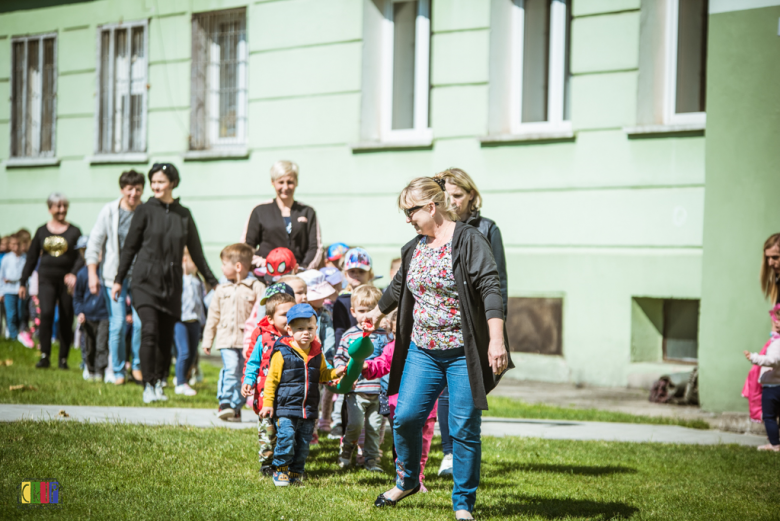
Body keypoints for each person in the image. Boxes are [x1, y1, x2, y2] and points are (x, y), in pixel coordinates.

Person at [365, 177, 512, 520]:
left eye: (410, 211)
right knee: (404, 418)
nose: (407, 219)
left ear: (431, 207)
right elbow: (400, 284)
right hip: (423, 350)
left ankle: (462, 504)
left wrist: (497, 339)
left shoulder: (469, 240)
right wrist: (377, 312)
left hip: (463, 352)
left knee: (463, 428)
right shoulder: (416, 246)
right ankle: (407, 481)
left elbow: (491, 288)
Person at [112, 163, 219, 404]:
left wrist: (211, 281)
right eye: (153, 182)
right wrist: (119, 280)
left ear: (172, 183)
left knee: (164, 336)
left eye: (161, 181)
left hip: (172, 284)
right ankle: (148, 384)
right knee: (149, 329)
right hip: (145, 281)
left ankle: (159, 381)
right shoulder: (145, 211)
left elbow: (196, 251)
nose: (156, 186)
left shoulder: (184, 214)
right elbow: (129, 247)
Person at [435, 167, 509, 476]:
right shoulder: (435, 227)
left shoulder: (487, 228)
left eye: (458, 195)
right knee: (444, 389)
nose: (452, 201)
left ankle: (464, 449)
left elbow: (498, 282)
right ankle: (451, 453)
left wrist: (497, 328)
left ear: (471, 196)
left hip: (478, 321)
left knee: (470, 387)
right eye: (446, 195)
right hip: (442, 321)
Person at [257, 303, 345, 487]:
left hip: (309, 408)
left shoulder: (316, 353)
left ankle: (296, 473)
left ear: (316, 328)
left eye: (310, 328)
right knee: (286, 437)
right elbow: (271, 380)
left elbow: (322, 375)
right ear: (289, 329)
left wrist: (334, 373)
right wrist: (268, 403)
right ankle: (280, 470)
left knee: (304, 443)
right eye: (300, 329)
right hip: (286, 407)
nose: (306, 333)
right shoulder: (282, 353)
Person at [362, 310, 437, 492]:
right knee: (402, 444)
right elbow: (381, 364)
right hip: (400, 404)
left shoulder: (429, 349)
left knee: (423, 444)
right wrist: (366, 366)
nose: (401, 339)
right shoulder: (392, 347)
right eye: (396, 334)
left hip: (427, 406)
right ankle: (404, 477)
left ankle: (417, 479)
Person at [86, 170, 145, 385]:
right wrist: (92, 273)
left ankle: (137, 367)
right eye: (130, 189)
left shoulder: (146, 210)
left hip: (140, 277)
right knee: (118, 323)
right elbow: (94, 243)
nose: (134, 193)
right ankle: (118, 370)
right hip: (113, 277)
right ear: (122, 189)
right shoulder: (109, 211)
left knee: (140, 323)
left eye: (138, 189)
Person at [20, 193, 84, 369]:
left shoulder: (75, 231)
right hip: (46, 279)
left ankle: (63, 358)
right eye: (58, 206)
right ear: (50, 209)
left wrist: (73, 273)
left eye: (64, 206)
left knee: (65, 317)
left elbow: (81, 256)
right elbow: (32, 258)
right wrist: (22, 281)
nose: (62, 209)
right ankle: (45, 355)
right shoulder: (41, 231)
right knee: (46, 313)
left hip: (66, 282)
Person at [202, 243, 265, 421]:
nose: (221, 268)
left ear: (238, 266)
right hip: (225, 340)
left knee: (243, 374)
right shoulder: (221, 290)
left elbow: (261, 315)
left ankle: (236, 408)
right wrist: (208, 340)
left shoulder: (256, 287)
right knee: (230, 369)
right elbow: (213, 316)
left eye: (224, 264)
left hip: (246, 341)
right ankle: (225, 402)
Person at [334, 284, 390, 472]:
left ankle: (372, 460)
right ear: (353, 312)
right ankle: (346, 450)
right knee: (355, 425)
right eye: (361, 310)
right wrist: (343, 372)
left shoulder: (383, 335)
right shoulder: (349, 335)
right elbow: (339, 358)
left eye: (371, 310)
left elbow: (388, 359)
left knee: (374, 429)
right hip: (356, 391)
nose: (366, 315)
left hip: (378, 391)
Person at [242, 285, 296, 475]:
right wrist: (248, 380)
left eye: (292, 313)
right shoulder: (264, 339)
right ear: (271, 319)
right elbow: (253, 362)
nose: (289, 318)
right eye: (284, 314)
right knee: (267, 431)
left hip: (290, 396)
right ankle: (266, 462)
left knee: (287, 431)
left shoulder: (298, 338)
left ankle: (285, 462)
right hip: (266, 395)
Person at [242, 160, 324, 272]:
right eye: (281, 182)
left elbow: (315, 247)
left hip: (299, 275)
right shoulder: (260, 211)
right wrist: (268, 265)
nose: (285, 187)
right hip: (266, 275)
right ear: (273, 182)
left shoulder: (307, 212)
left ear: (296, 182)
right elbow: (246, 248)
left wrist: (302, 269)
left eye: (290, 182)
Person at [73, 236, 109, 382]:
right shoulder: (82, 274)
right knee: (89, 345)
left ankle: (100, 372)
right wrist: (79, 312)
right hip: (87, 317)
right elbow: (77, 297)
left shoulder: (106, 272)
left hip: (104, 316)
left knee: (102, 345)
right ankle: (90, 369)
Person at [744, 305, 780, 451]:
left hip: (773, 387)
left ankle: (775, 445)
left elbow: (772, 360)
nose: (776, 322)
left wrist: (754, 358)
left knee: (769, 417)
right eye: (776, 319)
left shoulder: (777, 343)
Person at [173, 247, 207, 397]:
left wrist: (203, 322)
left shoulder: (197, 281)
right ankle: (180, 382)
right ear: (185, 261)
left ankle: (184, 379)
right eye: (195, 262)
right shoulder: (180, 279)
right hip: (181, 321)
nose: (197, 265)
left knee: (192, 354)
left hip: (195, 321)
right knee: (184, 351)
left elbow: (200, 302)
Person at [0, 234, 27, 342]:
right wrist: (1, 292)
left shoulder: (25, 258)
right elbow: (1, 276)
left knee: (20, 315)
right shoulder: (6, 258)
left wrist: (15, 279)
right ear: (10, 245)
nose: (16, 247)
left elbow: (26, 275)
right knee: (11, 315)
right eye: (13, 244)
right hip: (8, 291)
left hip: (21, 290)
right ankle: (13, 338)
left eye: (18, 244)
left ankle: (19, 335)